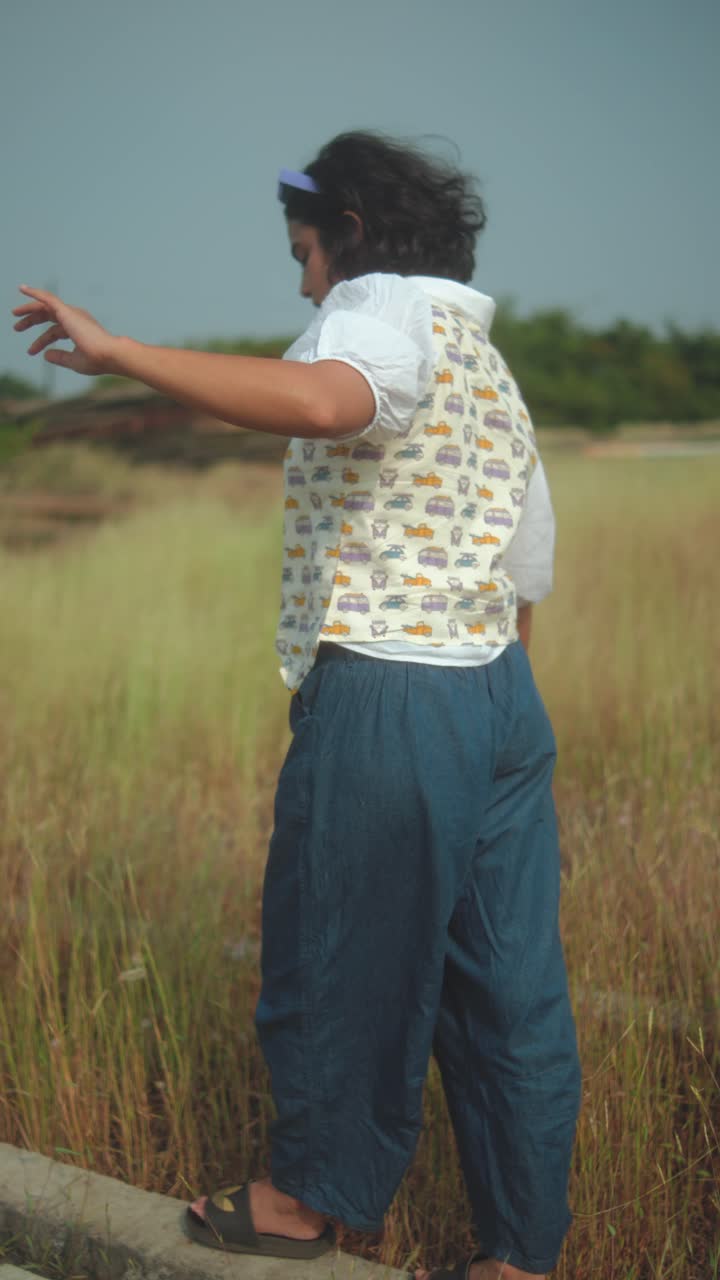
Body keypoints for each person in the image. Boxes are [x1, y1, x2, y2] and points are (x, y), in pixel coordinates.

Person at [12, 130, 581, 1280]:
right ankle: (518, 1252)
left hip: (393, 691)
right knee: (510, 993)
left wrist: (123, 351)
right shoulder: (484, 360)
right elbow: (528, 562)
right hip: (497, 698)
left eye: (303, 252)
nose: (301, 280)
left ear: (353, 234)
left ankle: (301, 1199)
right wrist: (489, 712)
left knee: (341, 952)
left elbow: (327, 403)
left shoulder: (376, 307)